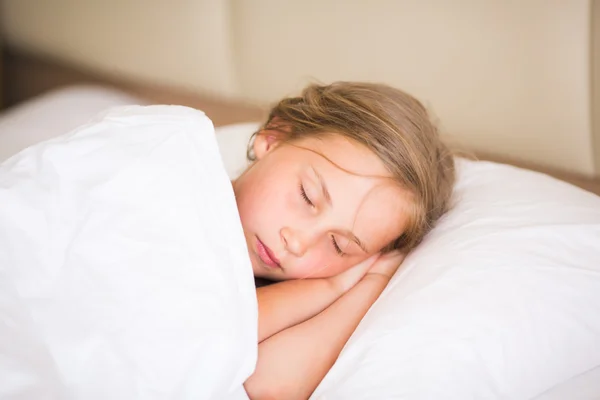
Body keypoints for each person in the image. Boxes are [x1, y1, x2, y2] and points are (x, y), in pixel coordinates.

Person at [232, 82, 455, 399]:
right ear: (274, 137)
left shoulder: (289, 295)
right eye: (308, 197)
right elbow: (214, 323)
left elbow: (269, 386)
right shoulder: (174, 194)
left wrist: (371, 282)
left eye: (340, 245)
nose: (298, 243)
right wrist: (327, 288)